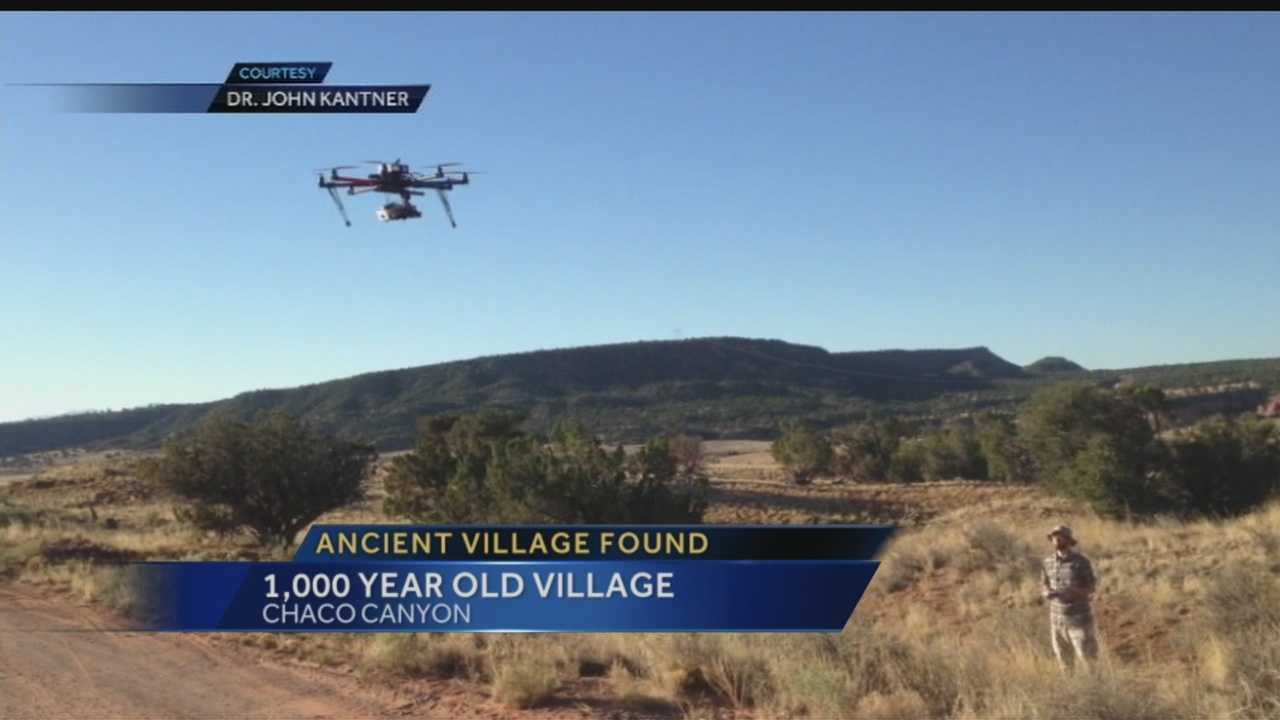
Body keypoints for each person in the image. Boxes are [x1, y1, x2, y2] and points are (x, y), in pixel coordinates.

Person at [1040, 525, 1099, 670]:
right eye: (1054, 537)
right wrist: (1046, 592)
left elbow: (1091, 587)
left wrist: (1075, 593)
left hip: (1079, 621)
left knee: (1089, 662)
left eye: (1060, 536)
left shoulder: (1081, 561)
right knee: (1064, 665)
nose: (1057, 539)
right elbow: (1043, 584)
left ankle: (1096, 690)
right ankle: (1071, 691)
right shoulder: (1047, 562)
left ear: (1068, 540)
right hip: (1057, 621)